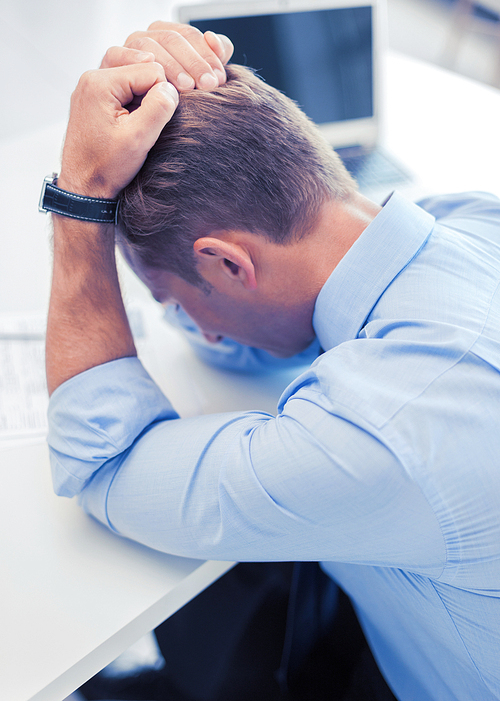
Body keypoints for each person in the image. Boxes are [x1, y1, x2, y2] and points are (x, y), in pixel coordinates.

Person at [44, 21, 500, 701]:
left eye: (173, 302)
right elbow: (275, 331)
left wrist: (79, 195)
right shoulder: (468, 220)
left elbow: (100, 461)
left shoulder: (383, 434)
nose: (191, 327)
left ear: (229, 263)